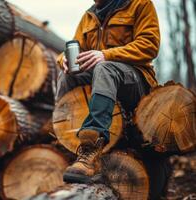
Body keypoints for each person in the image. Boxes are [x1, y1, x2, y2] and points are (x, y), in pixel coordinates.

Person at [56, 0, 167, 186]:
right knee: (68, 76)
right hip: (104, 78)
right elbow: (77, 50)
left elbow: (149, 44)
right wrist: (63, 59)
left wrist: (107, 55)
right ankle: (66, 140)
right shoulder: (88, 16)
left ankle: (91, 147)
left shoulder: (139, 4)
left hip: (136, 81)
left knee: (104, 68)